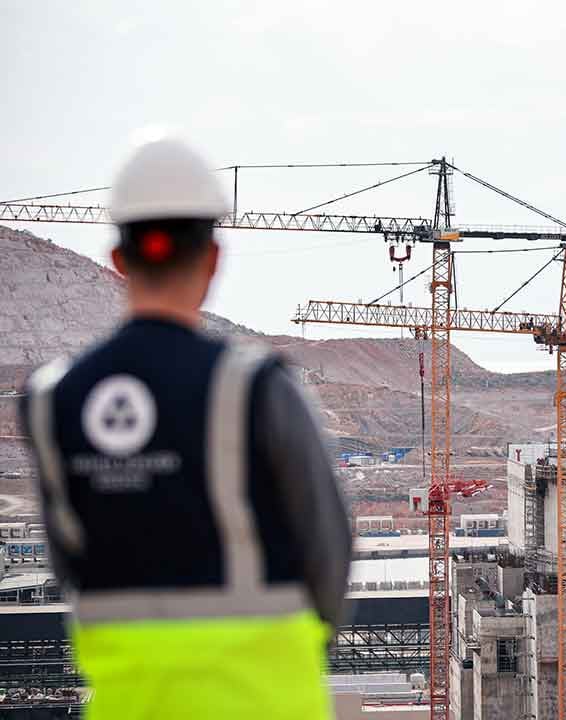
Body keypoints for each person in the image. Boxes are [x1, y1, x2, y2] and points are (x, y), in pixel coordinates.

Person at [20, 135, 352, 719]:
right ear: (213, 258)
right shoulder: (255, 386)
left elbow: (69, 565)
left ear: (118, 261)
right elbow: (328, 543)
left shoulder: (50, 401)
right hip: (267, 702)